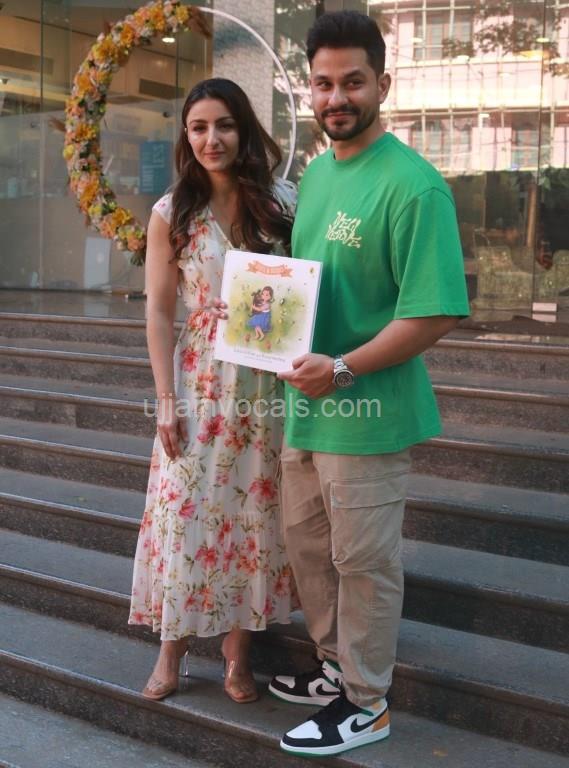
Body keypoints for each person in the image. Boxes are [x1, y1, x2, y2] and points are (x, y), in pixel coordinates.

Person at [268, 11, 470, 757]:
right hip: (306, 406)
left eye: (352, 82)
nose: (336, 97)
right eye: (322, 84)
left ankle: (366, 701)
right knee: (311, 553)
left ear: (382, 84)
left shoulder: (414, 187)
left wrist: (344, 367)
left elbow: (433, 313)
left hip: (367, 410)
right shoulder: (319, 173)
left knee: (363, 565)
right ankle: (334, 667)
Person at [129, 77, 297, 704]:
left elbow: (303, 283)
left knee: (254, 513)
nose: (211, 138)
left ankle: (237, 655)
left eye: (223, 124)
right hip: (199, 379)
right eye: (198, 127)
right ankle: (170, 649)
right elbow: (158, 312)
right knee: (185, 510)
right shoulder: (171, 212)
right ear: (186, 136)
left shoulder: (283, 200)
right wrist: (164, 399)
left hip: (266, 378)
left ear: (243, 128)